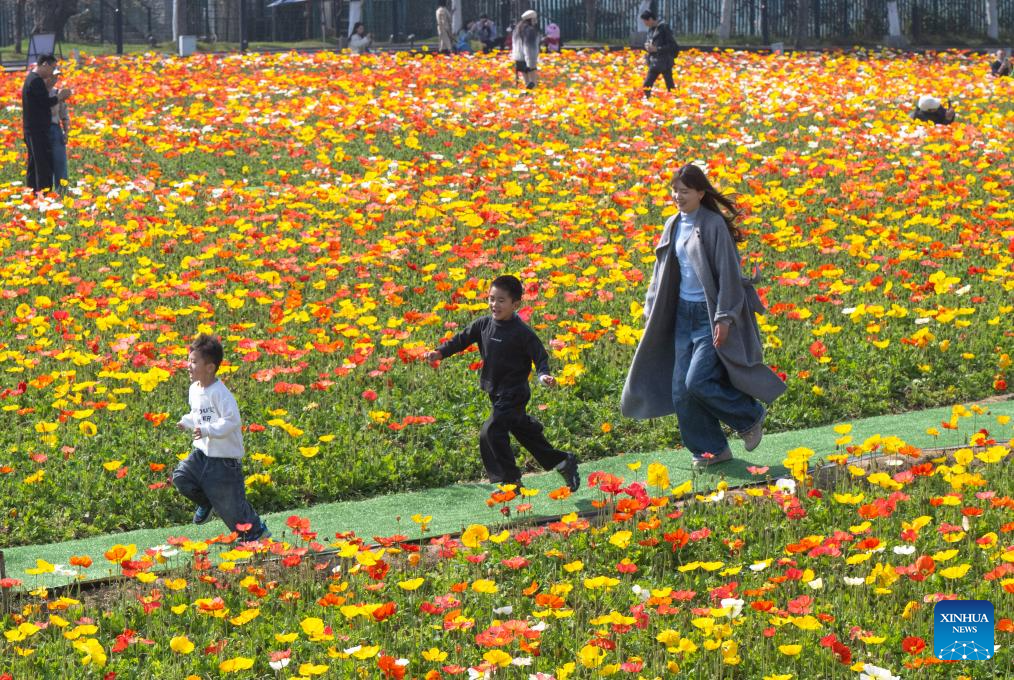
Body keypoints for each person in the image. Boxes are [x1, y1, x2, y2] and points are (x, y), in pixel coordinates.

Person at [621, 164, 786, 467]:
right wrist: (651, 307)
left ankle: (749, 417)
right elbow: (661, 272)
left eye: (684, 191)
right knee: (681, 391)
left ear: (700, 192)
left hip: (709, 316)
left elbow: (729, 275)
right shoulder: (672, 224)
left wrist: (723, 318)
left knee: (697, 381)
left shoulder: (713, 226)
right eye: (675, 191)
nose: (677, 196)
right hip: (683, 315)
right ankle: (712, 450)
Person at [424, 275, 580, 491]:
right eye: (491, 298)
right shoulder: (484, 324)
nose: (494, 305)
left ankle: (511, 481)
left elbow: (540, 356)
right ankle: (563, 461)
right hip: (495, 391)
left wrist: (543, 375)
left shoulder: (522, 332)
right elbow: (461, 339)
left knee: (491, 431)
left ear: (516, 305)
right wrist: (440, 352)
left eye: (500, 300)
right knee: (524, 432)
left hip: (514, 393)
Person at [173, 334, 270, 541]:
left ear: (210, 367)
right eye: (188, 360)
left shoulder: (220, 393)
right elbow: (197, 414)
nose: (188, 366)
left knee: (231, 508)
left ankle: (256, 534)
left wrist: (207, 430)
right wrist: (186, 421)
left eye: (193, 362)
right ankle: (206, 503)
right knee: (181, 477)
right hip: (202, 453)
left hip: (224, 460)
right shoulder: (194, 389)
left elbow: (231, 421)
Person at [22, 54, 71, 193]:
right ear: (44, 64)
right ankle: (45, 196)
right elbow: (45, 103)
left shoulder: (32, 79)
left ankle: (33, 193)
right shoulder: (35, 81)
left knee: (34, 164)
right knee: (43, 165)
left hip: (33, 129)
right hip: (38, 130)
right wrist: (59, 97)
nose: (53, 71)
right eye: (53, 67)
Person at [640, 10, 678, 99]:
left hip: (663, 61)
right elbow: (650, 41)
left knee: (648, 85)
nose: (644, 24)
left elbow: (672, 45)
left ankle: (674, 103)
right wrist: (647, 46)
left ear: (650, 19)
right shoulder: (651, 29)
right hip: (656, 61)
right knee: (668, 86)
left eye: (645, 21)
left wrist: (657, 49)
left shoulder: (664, 28)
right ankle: (675, 103)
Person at [45, 70, 70, 191]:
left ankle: (62, 193)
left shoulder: (58, 93)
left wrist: (66, 132)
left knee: (60, 163)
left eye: (57, 77)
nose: (55, 79)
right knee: (44, 164)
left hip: (55, 129)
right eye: (53, 76)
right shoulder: (39, 93)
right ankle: (46, 193)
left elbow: (64, 115)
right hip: (42, 130)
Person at [511, 9, 540, 89]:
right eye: (534, 19)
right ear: (531, 19)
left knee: (526, 83)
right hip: (528, 59)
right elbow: (529, 48)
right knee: (533, 84)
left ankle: (527, 96)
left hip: (519, 58)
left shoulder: (517, 29)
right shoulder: (530, 30)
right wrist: (531, 63)